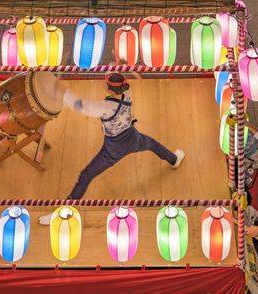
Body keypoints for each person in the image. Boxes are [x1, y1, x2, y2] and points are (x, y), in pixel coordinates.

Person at [39, 73, 185, 224]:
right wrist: (119, 63)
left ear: (108, 89)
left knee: (85, 176)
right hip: (133, 137)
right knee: (152, 144)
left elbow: (80, 106)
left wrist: (62, 92)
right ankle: (174, 159)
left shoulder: (105, 107)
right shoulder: (127, 92)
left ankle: (62, 214)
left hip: (113, 149)